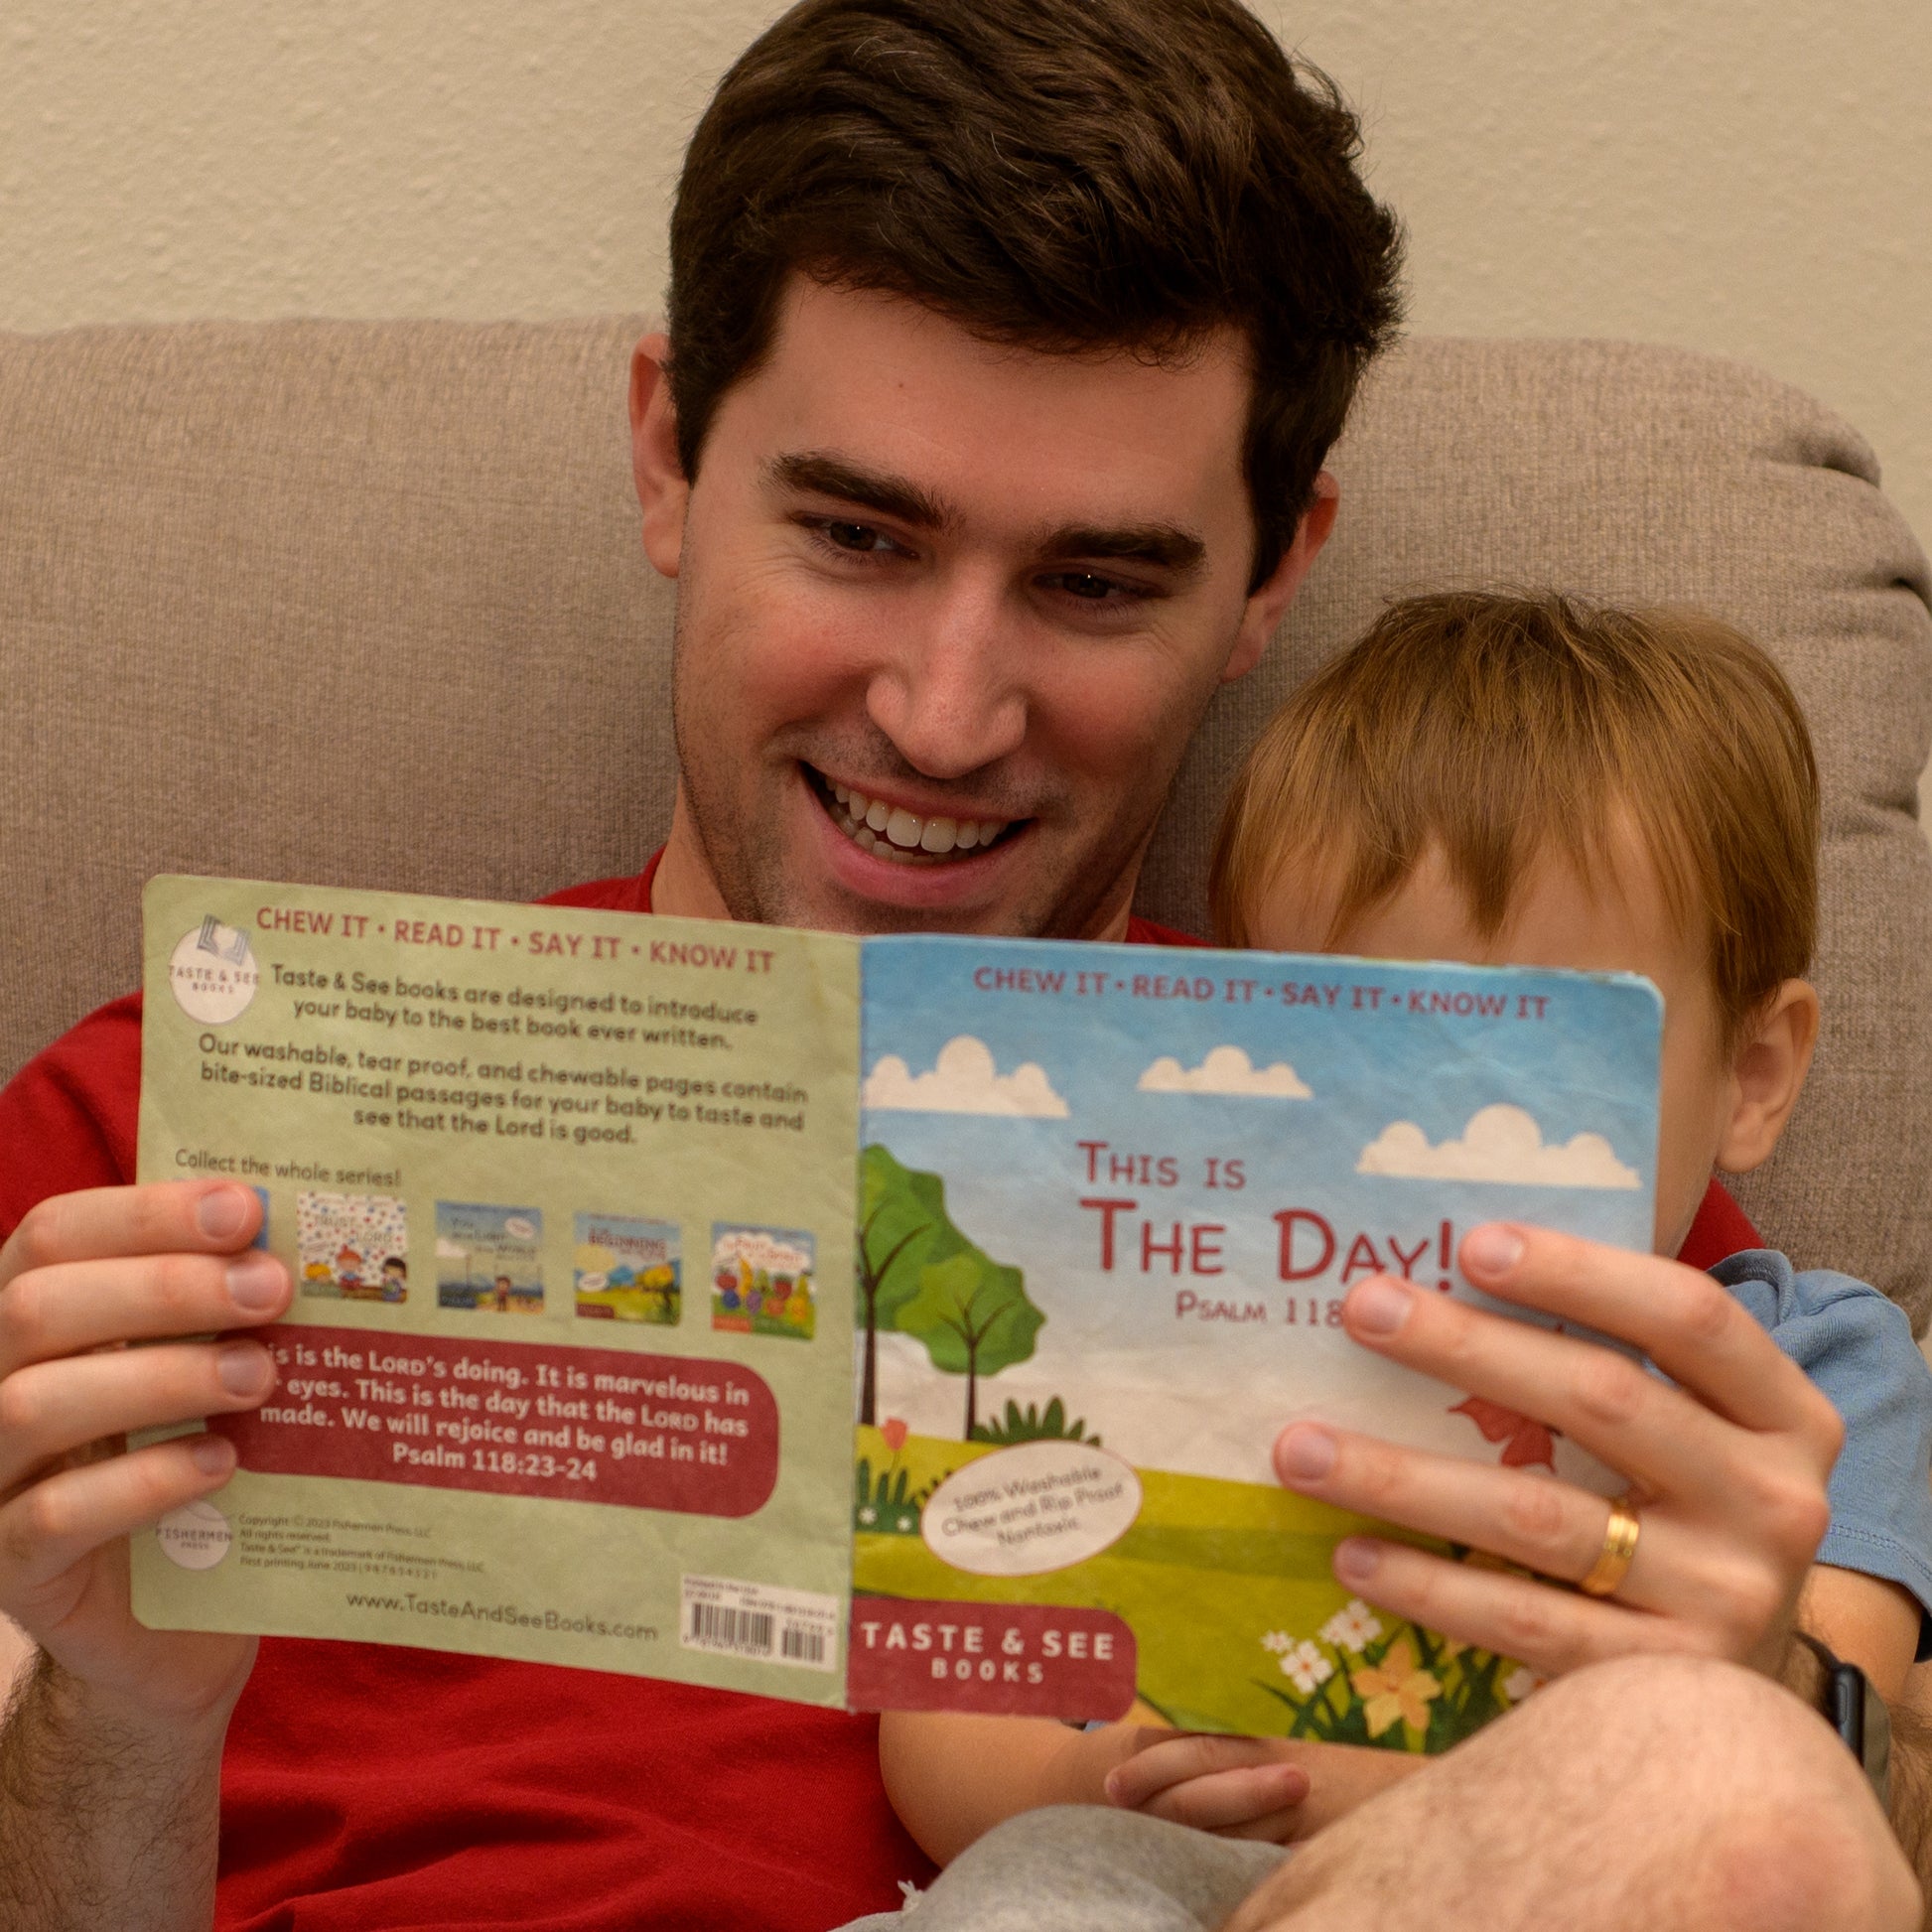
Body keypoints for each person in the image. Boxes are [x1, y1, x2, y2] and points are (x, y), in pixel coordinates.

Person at [0, 2, 1917, 1926]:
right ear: (669, 455)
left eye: (1092, 582)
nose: (939, 712)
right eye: (856, 534)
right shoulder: (149, 1153)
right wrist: (111, 1710)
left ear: (1268, 576)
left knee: (1717, 1779)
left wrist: (1779, 1684)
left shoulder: (1437, 1139)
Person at [869, 593, 1932, 1906]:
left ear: (1750, 1073)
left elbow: (1825, 1737)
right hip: (1170, 1850)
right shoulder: (1159, 1320)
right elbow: (939, 1736)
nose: (1410, 1139)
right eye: (1337, 1053)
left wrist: (1394, 1789)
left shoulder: (1813, 1363)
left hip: (1546, 1877)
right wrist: (1125, 1761)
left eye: (1517, 1058)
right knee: (1044, 1872)